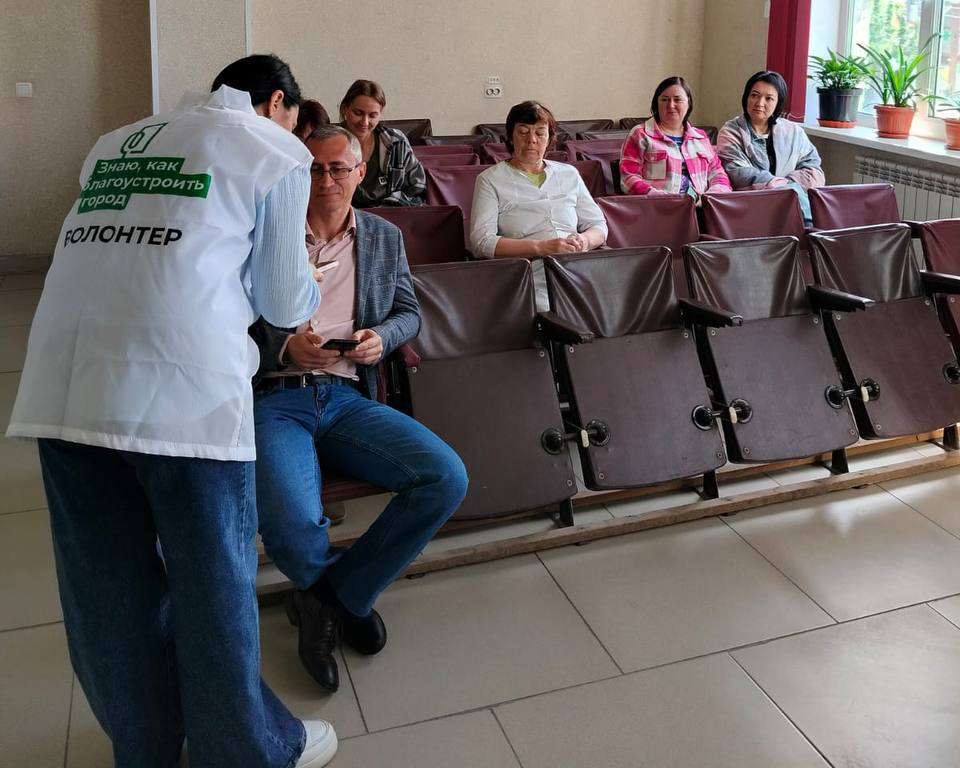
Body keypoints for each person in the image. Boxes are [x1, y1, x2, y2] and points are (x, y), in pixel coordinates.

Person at [5, 54, 338, 768]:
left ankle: (147, 748)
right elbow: (283, 304)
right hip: (186, 400)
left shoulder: (116, 142)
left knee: (108, 596)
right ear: (277, 104)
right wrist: (308, 278)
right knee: (212, 590)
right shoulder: (274, 148)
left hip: (64, 388)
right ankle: (245, 752)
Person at [250, 124, 468, 694]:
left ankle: (331, 597)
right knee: (292, 525)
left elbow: (408, 312)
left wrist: (381, 338)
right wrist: (283, 347)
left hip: (347, 395)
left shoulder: (381, 236)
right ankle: (340, 597)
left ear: (360, 172)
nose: (326, 180)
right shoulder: (268, 234)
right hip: (277, 396)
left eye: (338, 168)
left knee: (445, 478)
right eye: (314, 169)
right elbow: (230, 321)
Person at [470, 100, 607, 308]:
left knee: (614, 306)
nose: (531, 140)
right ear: (510, 137)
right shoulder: (490, 179)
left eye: (540, 133)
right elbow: (481, 242)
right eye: (523, 132)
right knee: (556, 310)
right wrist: (542, 247)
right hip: (527, 273)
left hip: (578, 267)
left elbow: (598, 225)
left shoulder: (568, 174)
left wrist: (584, 241)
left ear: (550, 138)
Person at [717, 70, 825, 222]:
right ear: (746, 97)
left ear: (778, 103)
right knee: (814, 223)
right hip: (751, 206)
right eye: (754, 95)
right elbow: (740, 174)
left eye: (769, 98)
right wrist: (783, 188)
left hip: (792, 204)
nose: (759, 103)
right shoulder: (731, 132)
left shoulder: (793, 131)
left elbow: (814, 171)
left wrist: (787, 187)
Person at [619, 76, 731, 201]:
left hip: (701, 207)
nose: (671, 105)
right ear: (656, 103)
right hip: (657, 207)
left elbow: (718, 174)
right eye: (664, 99)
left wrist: (709, 198)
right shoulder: (640, 134)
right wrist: (663, 199)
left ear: (688, 103)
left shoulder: (700, 137)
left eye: (678, 100)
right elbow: (628, 178)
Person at [338, 79, 425, 207]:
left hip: (390, 215)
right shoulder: (328, 143)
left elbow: (418, 190)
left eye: (372, 116)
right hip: (342, 217)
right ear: (345, 108)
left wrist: (390, 207)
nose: (365, 122)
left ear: (380, 114)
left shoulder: (396, 142)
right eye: (358, 113)